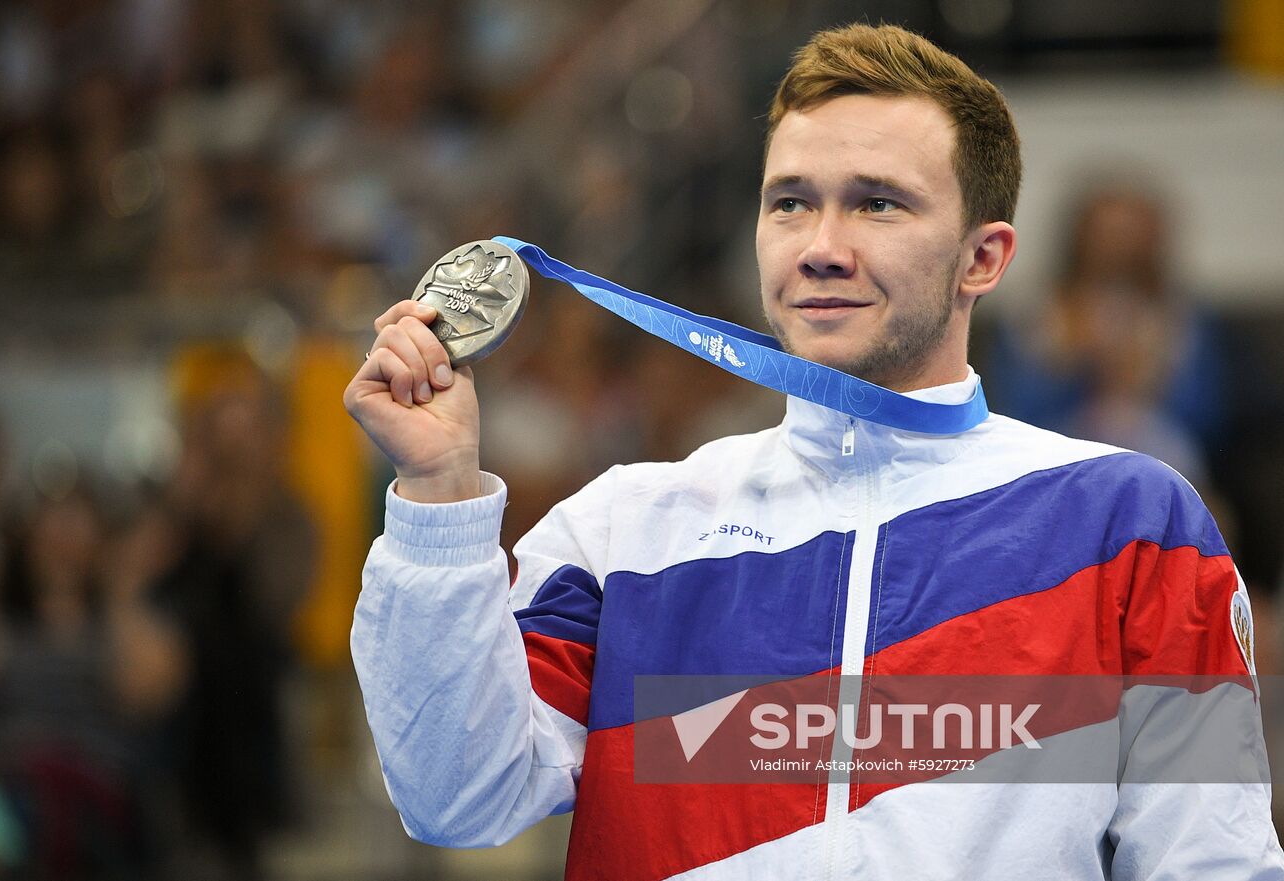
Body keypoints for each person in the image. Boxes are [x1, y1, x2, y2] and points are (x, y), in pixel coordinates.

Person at [344, 23, 1284, 880]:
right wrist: (436, 496)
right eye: (790, 203)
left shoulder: (1127, 526)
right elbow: (457, 796)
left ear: (983, 257)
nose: (821, 247)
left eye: (878, 205)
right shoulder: (627, 533)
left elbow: (1212, 862)